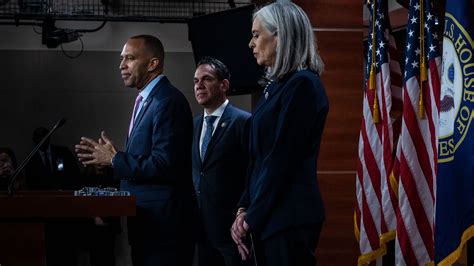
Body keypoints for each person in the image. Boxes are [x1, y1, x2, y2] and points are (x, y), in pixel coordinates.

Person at [75, 34, 196, 266]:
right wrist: (110, 161)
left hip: (164, 229)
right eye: (122, 59)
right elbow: (147, 159)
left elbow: (165, 163)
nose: (121, 65)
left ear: (153, 64)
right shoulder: (147, 100)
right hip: (146, 224)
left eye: (129, 58)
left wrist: (116, 160)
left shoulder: (167, 101)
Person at [230, 2, 329, 266]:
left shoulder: (303, 85)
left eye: (256, 34)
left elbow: (282, 159)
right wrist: (243, 207)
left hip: (289, 217)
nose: (251, 44)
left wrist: (252, 217)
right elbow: (257, 158)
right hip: (268, 215)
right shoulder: (274, 88)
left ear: (280, 36)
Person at [192, 56, 251, 266]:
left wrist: (244, 214)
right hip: (201, 229)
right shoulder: (195, 125)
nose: (199, 85)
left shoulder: (243, 121)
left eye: (206, 79)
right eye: (196, 81)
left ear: (223, 85)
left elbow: (252, 172)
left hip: (233, 230)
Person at [24, 126, 82, 190]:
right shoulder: (30, 160)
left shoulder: (63, 152)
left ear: (49, 137)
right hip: (42, 196)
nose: (42, 139)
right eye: (39, 137)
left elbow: (74, 173)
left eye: (44, 136)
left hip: (64, 193)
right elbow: (30, 182)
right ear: (34, 139)